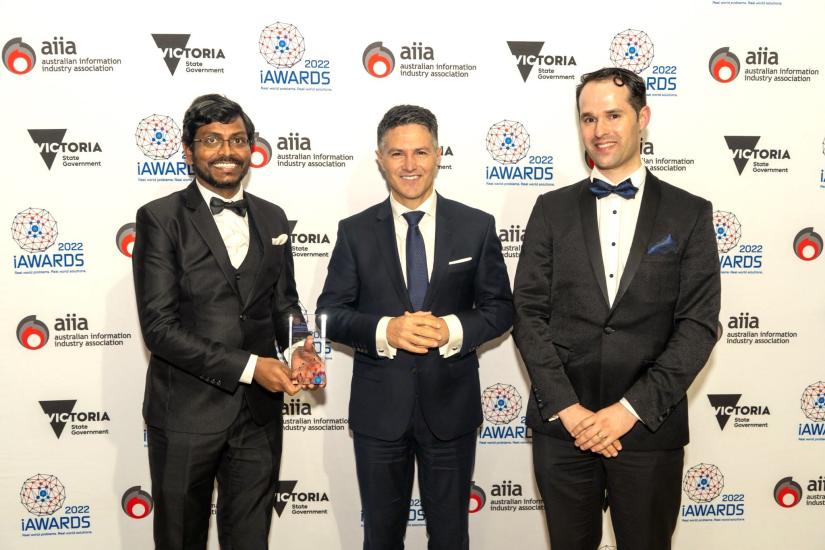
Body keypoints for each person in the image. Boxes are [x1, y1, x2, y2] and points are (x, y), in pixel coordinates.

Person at [513, 67, 721, 550]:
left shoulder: (689, 213)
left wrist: (627, 411)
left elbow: (697, 326)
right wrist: (570, 410)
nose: (600, 130)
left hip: (648, 429)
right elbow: (527, 313)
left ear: (642, 117)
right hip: (564, 430)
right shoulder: (550, 209)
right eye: (588, 118)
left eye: (613, 115)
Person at [316, 104, 513, 550]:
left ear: (439, 154)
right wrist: (387, 330)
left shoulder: (475, 226)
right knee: (381, 539)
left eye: (421, 152)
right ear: (380, 159)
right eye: (398, 154)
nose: (410, 165)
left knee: (450, 539)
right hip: (378, 414)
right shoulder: (355, 231)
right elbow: (329, 313)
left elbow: (501, 309)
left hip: (452, 410)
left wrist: (452, 331)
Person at [132, 94, 322, 550]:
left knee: (251, 540)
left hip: (258, 418)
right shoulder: (160, 218)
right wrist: (253, 366)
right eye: (212, 140)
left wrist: (300, 347)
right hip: (184, 414)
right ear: (188, 150)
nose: (226, 151)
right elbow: (159, 328)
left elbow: (285, 304)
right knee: (181, 539)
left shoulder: (273, 217)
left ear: (251, 147)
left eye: (237, 139)